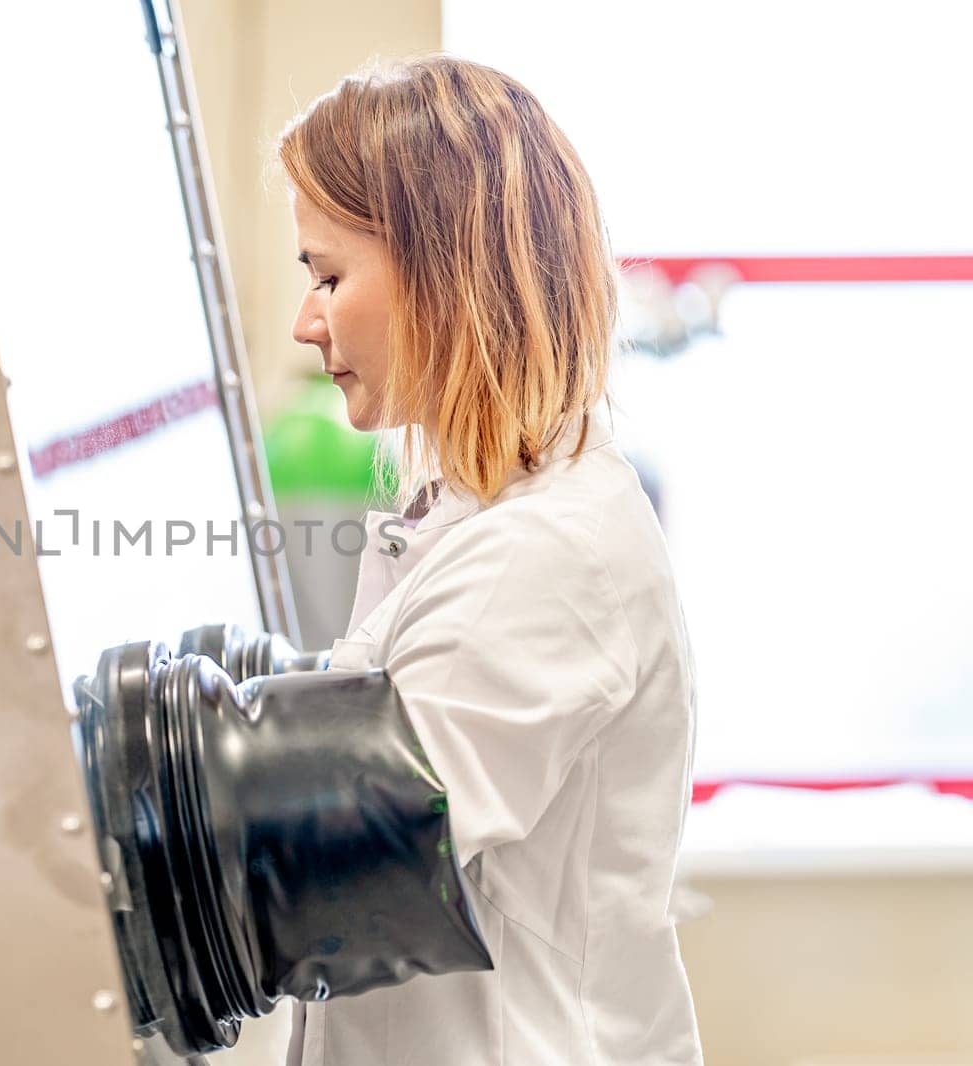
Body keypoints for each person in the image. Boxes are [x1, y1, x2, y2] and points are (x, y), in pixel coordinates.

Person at [273, 53, 703, 1064]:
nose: (306, 322)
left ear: (443, 268)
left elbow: (330, 872)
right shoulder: (491, 515)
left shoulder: (537, 555)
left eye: (331, 276)